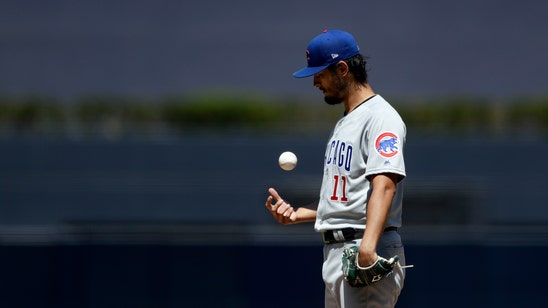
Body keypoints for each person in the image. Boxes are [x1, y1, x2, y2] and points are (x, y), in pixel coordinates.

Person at [265, 29, 408, 307]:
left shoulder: (381, 118)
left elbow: (385, 184)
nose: (315, 82)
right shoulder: (347, 120)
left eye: (320, 73)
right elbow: (348, 198)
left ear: (342, 69)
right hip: (338, 251)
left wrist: (367, 247)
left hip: (362, 246)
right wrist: (297, 214)